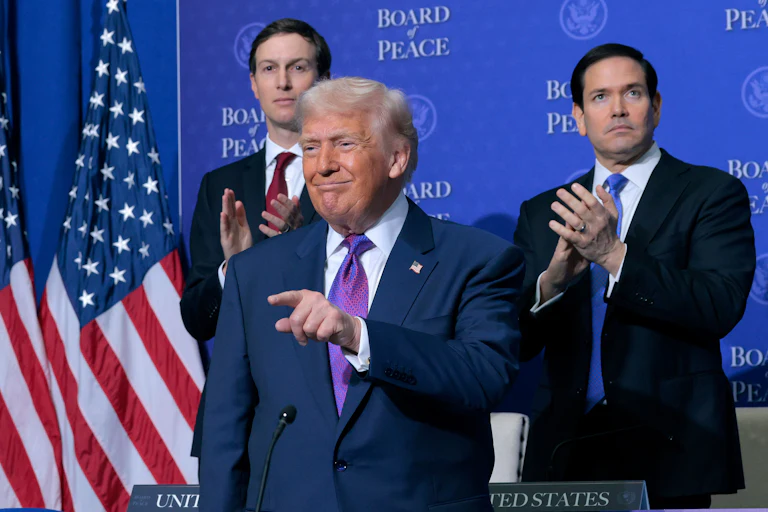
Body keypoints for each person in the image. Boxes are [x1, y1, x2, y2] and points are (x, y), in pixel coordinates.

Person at [199, 77, 524, 512]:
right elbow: (225, 428)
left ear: (396, 158)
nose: (322, 165)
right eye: (310, 148)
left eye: (344, 144)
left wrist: (359, 336)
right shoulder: (254, 272)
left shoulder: (477, 259)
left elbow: (484, 376)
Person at [514, 43, 756, 509]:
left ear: (657, 107)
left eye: (633, 93)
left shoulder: (711, 193)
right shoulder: (546, 211)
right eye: (600, 97)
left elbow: (718, 305)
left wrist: (613, 255)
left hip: (668, 445)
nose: (619, 108)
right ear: (579, 118)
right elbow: (516, 341)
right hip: (565, 449)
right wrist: (551, 287)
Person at [180, 18, 331, 459]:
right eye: (269, 69)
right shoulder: (219, 184)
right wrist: (235, 268)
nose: (282, 81)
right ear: (253, 83)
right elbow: (196, 318)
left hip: (326, 406)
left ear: (322, 80)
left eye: (297, 67)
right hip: (236, 421)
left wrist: (306, 239)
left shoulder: (349, 176)